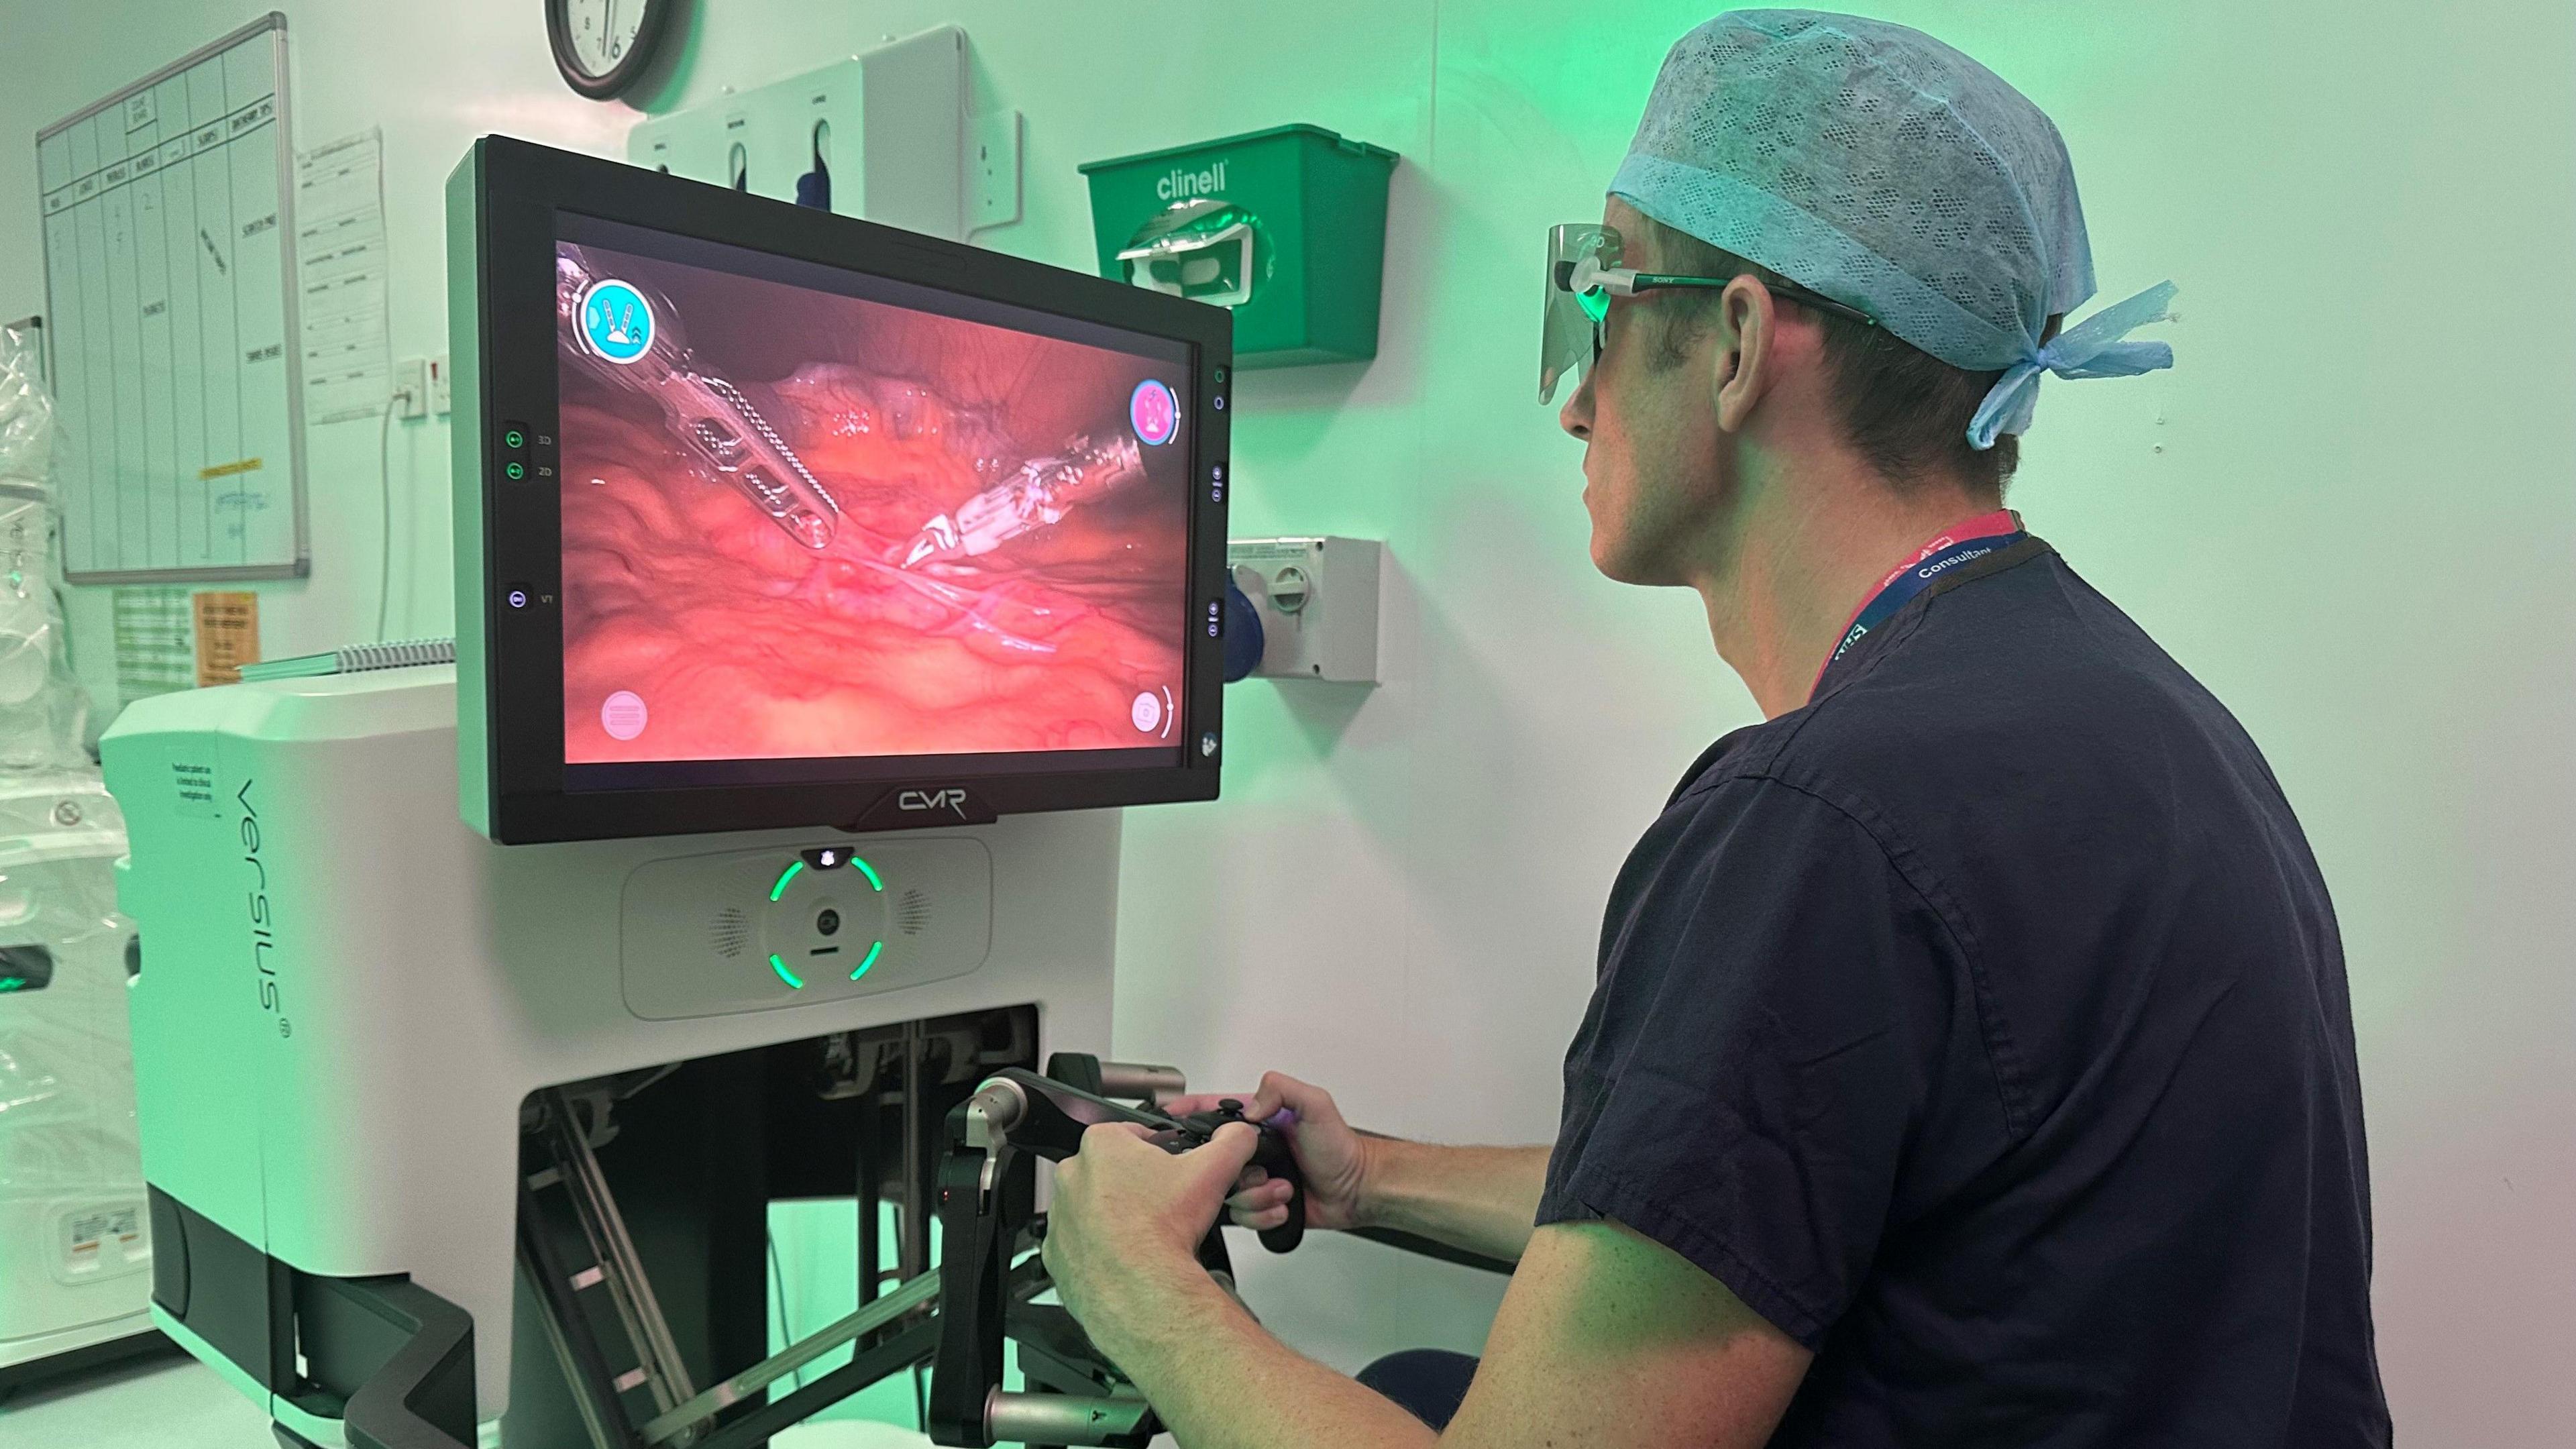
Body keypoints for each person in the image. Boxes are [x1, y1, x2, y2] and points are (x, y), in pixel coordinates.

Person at [1038, 11, 2392, 1446]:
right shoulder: (2124, 713)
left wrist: (1140, 1292)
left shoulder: (1824, 818)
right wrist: (1370, 1175)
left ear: (1738, 342)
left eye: (1602, 311)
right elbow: (1763, 1184)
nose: (1574, 408)